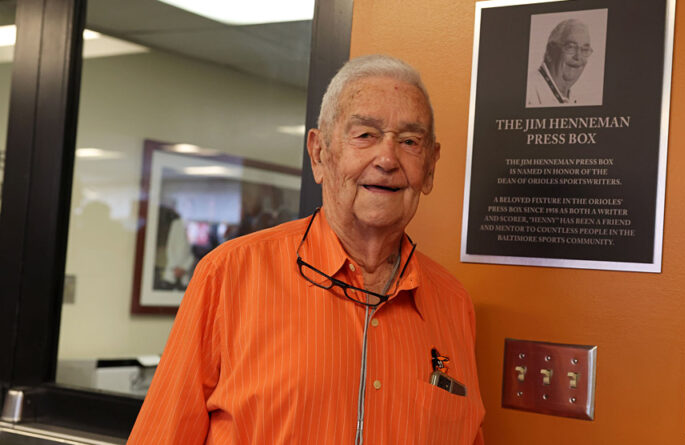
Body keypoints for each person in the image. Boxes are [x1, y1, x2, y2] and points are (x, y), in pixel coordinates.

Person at [128, 54, 485, 444]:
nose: (387, 159)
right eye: (364, 135)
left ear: (430, 168)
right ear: (319, 154)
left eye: (410, 141)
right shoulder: (229, 275)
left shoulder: (453, 305)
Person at [528, 18, 594, 106]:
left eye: (585, 50)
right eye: (571, 47)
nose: (578, 57)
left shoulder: (574, 97)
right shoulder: (529, 90)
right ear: (550, 52)